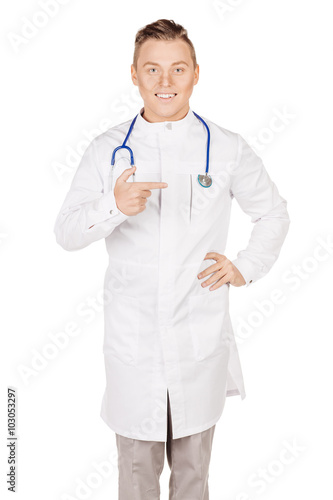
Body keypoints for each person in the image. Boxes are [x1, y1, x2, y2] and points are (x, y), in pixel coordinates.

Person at [53, 18, 290, 500]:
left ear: (196, 74)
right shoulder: (107, 150)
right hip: (133, 344)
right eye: (153, 69)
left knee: (193, 478)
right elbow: (66, 232)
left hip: (197, 339)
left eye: (177, 69)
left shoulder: (225, 148)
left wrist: (244, 266)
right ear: (134, 75)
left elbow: (273, 214)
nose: (165, 82)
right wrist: (115, 205)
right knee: (136, 479)